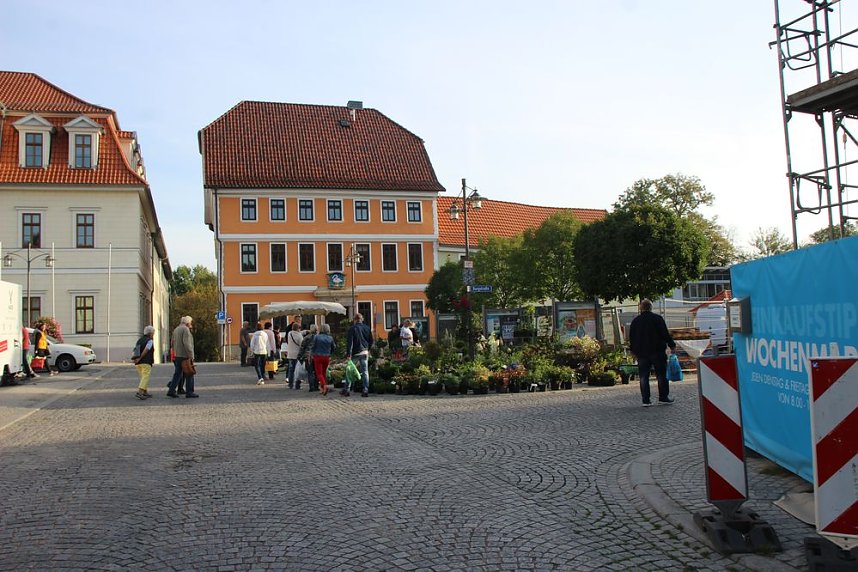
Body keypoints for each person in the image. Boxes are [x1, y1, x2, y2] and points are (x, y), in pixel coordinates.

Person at [628, 299, 677, 407]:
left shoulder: (635, 321)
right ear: (651, 307)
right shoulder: (657, 319)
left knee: (644, 376)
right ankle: (663, 397)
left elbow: (631, 337)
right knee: (661, 375)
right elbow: (665, 334)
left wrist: (632, 350)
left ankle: (646, 400)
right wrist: (672, 345)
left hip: (641, 353)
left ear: (641, 308)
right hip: (657, 351)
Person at [167, 316, 198, 398]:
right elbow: (187, 344)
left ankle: (171, 390)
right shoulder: (185, 330)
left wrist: (175, 352)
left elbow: (172, 342)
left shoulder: (176, 329)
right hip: (185, 355)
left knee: (177, 374)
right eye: (190, 323)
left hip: (177, 355)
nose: (191, 324)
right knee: (189, 373)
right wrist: (191, 355)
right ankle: (189, 392)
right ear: (188, 323)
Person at [345, 313, 373, 397]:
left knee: (349, 370)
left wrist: (348, 354)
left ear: (355, 320)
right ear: (362, 319)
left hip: (355, 352)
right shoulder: (367, 328)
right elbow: (371, 341)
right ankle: (365, 389)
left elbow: (350, 343)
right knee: (365, 371)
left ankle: (347, 389)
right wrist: (367, 349)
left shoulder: (352, 329)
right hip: (364, 352)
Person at [311, 323, 336, 396]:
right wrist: (330, 353)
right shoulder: (330, 338)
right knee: (324, 373)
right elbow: (334, 347)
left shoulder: (316, 337)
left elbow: (313, 346)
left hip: (318, 356)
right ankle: (322, 389)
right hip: (326, 357)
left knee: (319, 374)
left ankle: (324, 386)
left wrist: (312, 354)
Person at [133, 326, 156, 399]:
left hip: (138, 363)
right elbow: (146, 350)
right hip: (146, 361)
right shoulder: (149, 340)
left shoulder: (139, 340)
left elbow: (135, 350)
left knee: (143, 377)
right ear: (150, 333)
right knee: (145, 377)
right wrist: (140, 358)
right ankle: (140, 392)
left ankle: (145, 392)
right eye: (153, 333)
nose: (153, 335)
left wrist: (135, 359)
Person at [297, 324, 318, 392]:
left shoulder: (306, 338)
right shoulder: (319, 337)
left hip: (308, 356)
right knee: (316, 372)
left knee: (310, 372)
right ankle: (316, 386)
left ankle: (311, 386)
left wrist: (299, 356)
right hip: (316, 356)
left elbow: (302, 348)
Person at [284, 323, 303, 389]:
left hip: (290, 354)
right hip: (297, 355)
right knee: (298, 370)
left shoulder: (290, 333)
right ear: (298, 328)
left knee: (291, 370)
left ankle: (290, 384)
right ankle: (297, 384)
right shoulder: (299, 335)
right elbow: (302, 345)